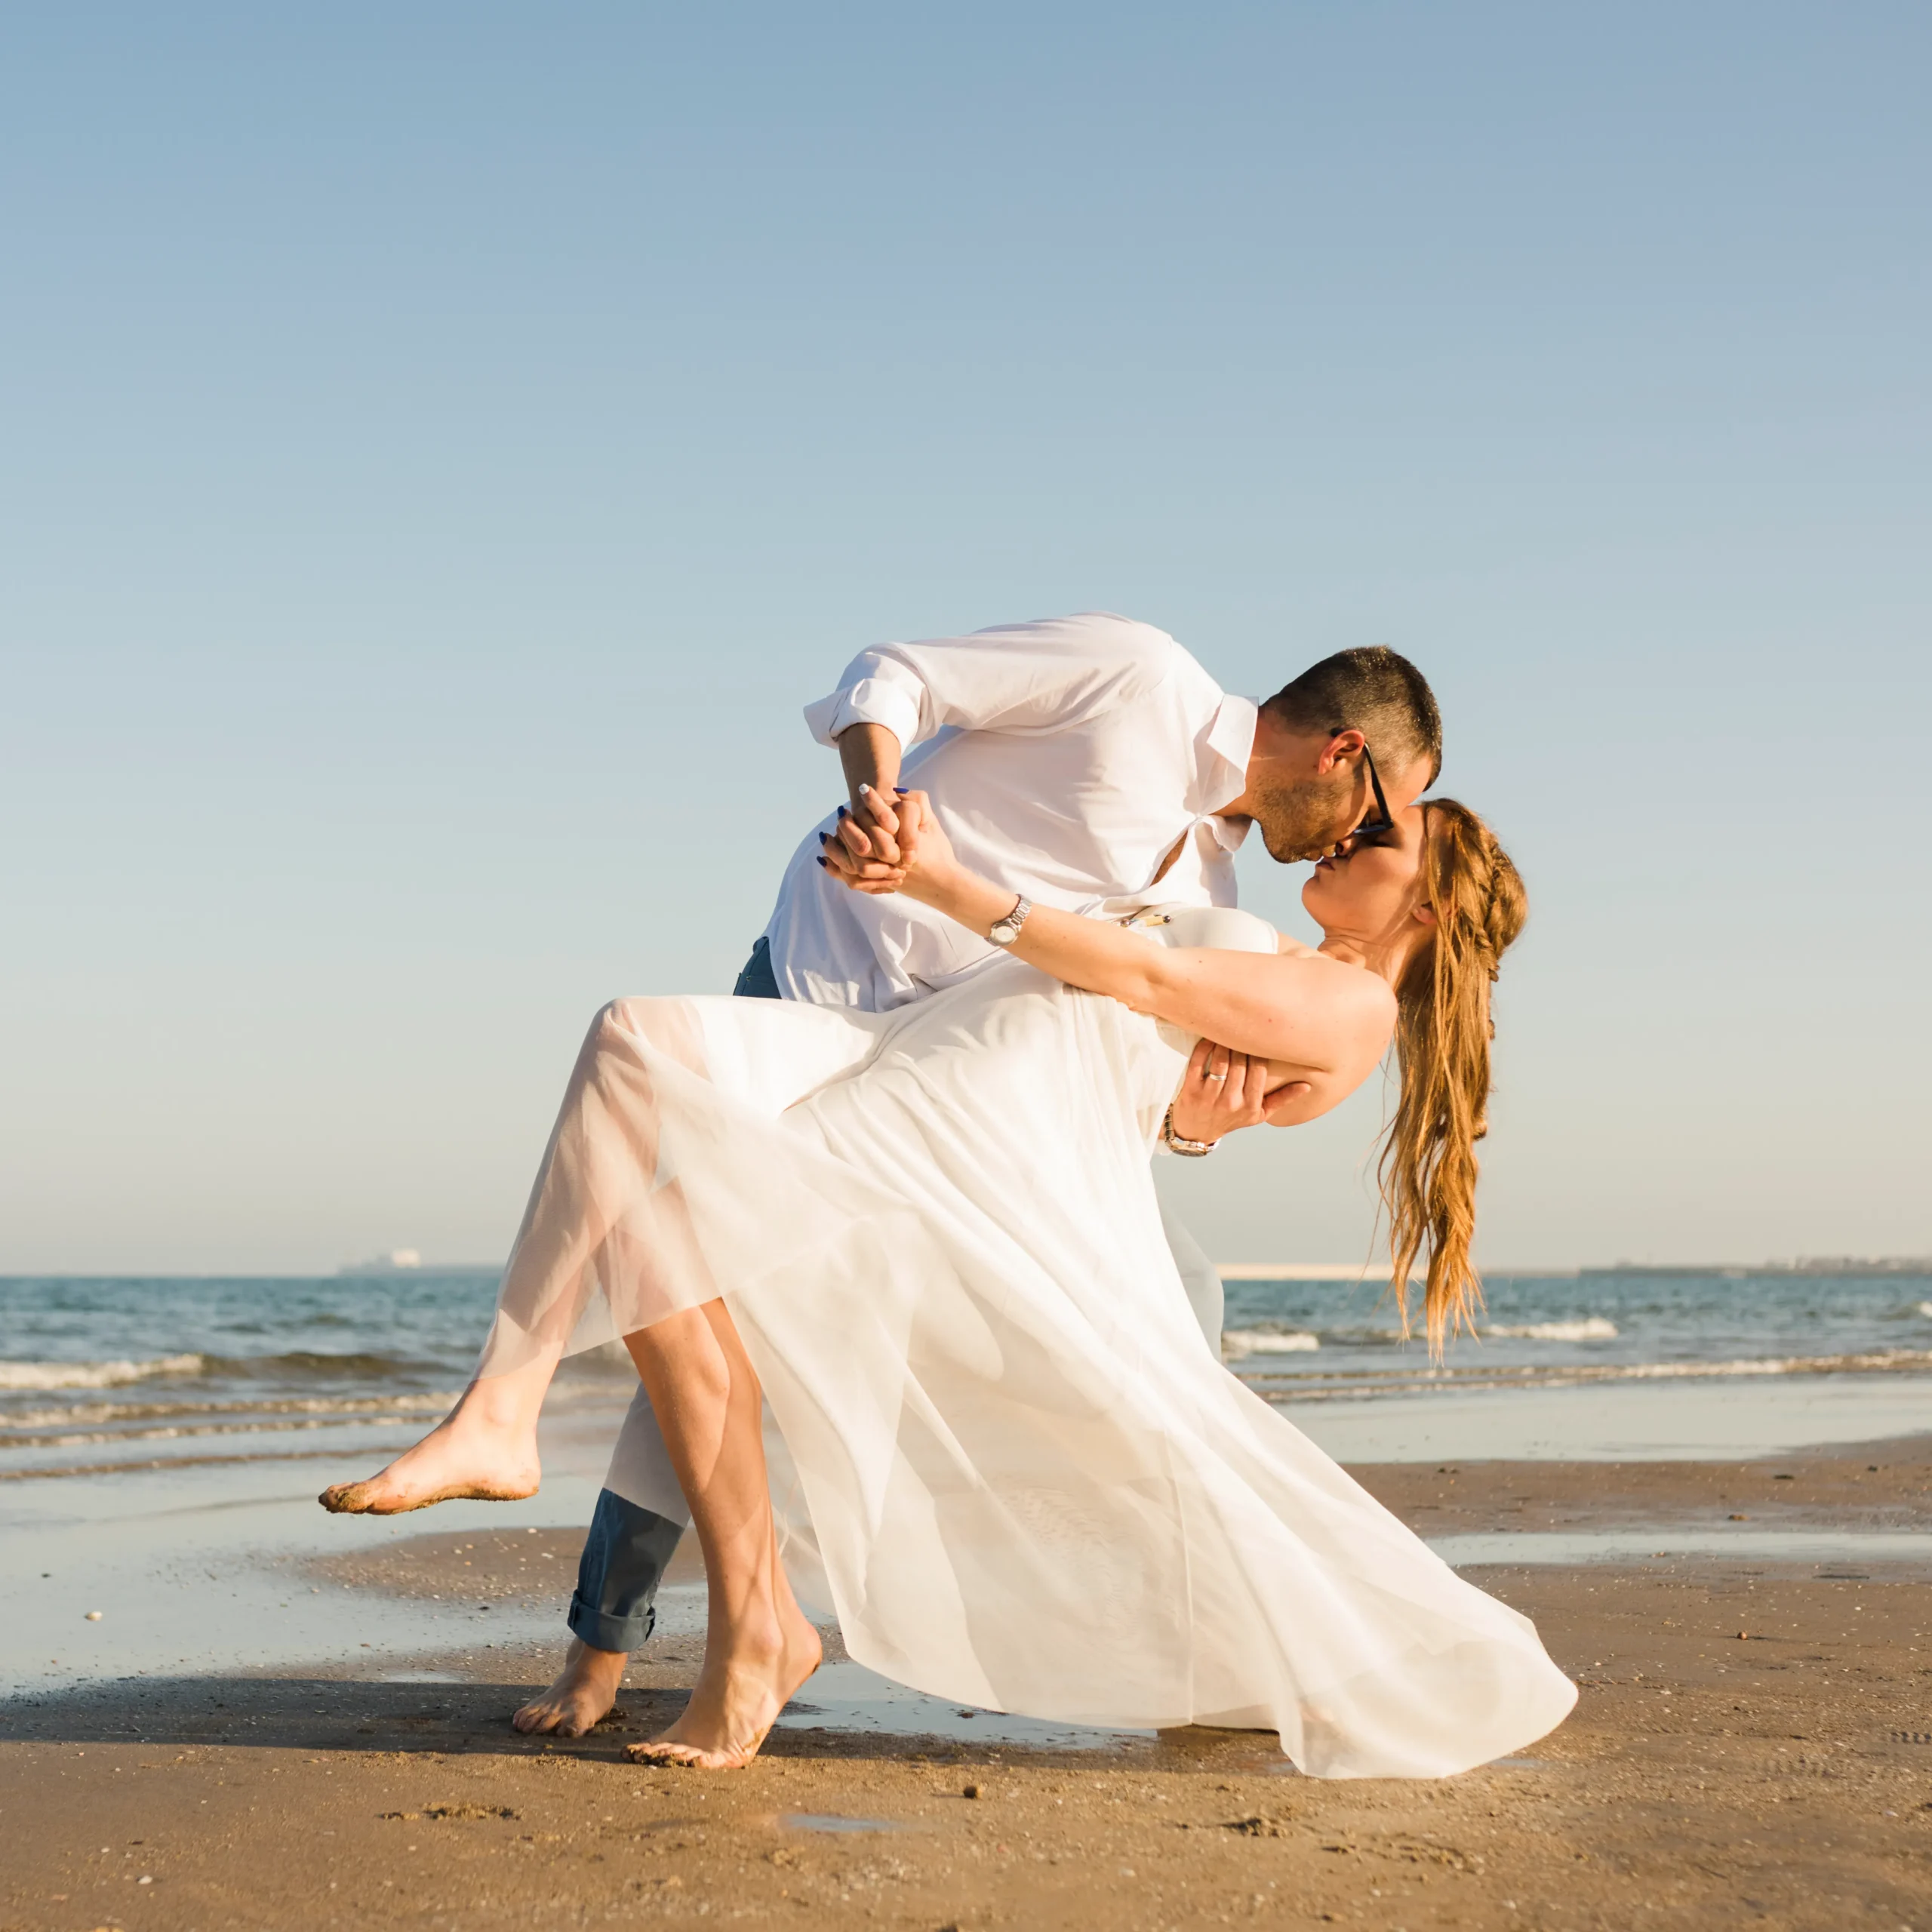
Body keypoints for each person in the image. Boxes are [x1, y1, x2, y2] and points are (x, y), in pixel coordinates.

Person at [319, 772, 1577, 1780]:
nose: (1349, 839)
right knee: (633, 1043)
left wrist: (947, 881)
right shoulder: (1250, 903)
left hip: (950, 1146)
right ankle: (519, 1430)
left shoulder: (1347, 1009)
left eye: (1385, 836)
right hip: (904, 1060)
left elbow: (1140, 982)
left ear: (1433, 897)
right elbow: (1167, 1063)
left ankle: (749, 1637)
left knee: (659, 1241)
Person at [511, 613, 1443, 1737]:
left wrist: (1189, 1127)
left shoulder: (1218, 879)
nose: (1351, 843)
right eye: (1381, 810)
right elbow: (891, 677)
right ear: (1347, 754)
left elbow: (1092, 1034)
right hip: (823, 992)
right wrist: (881, 799)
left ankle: (1205, 1640)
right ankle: (604, 1640)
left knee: (1178, 1306)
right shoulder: (1141, 680)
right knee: (691, 1283)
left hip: (940, 1084)